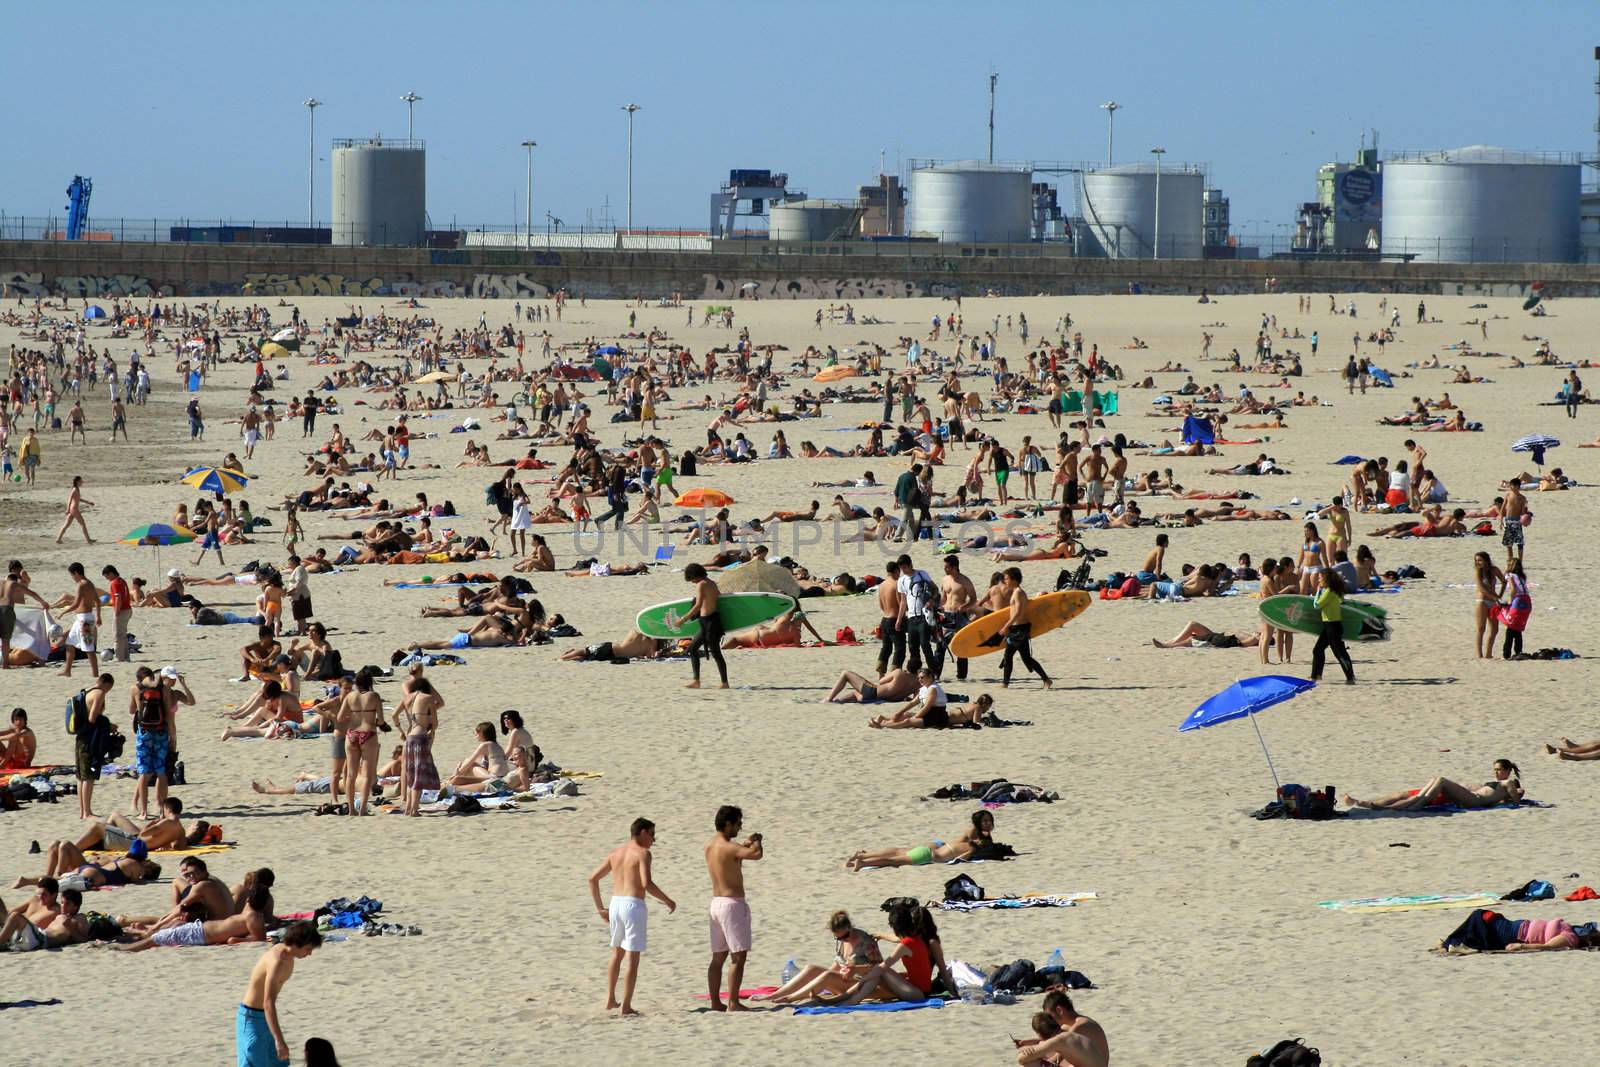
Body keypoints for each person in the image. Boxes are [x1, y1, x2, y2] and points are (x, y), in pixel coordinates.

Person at [588, 817, 677, 1016]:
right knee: (632, 958)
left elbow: (592, 879)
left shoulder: (615, 853)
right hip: (632, 905)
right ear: (643, 832)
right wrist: (667, 900)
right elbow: (647, 883)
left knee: (616, 954)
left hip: (615, 904)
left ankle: (610, 999)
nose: (654, 840)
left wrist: (600, 908)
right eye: (652, 834)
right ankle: (626, 1006)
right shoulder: (643, 853)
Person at [236, 921, 323, 1067]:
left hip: (266, 1017)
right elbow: (268, 1002)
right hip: (251, 1018)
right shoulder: (277, 961)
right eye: (308, 948)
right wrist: (279, 1040)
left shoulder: (288, 954)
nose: (310, 953)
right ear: (296, 944)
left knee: (278, 1062)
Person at [812, 905, 933, 1006]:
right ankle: (843, 998)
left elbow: (882, 967)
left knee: (879, 969)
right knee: (877, 971)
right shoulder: (915, 937)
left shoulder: (904, 945)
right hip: (918, 988)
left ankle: (851, 999)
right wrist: (880, 935)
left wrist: (863, 979)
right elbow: (896, 938)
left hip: (916, 993)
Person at [704, 805, 763, 1011]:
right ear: (728, 824)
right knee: (738, 956)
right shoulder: (730, 847)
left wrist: (744, 845)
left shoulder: (711, 845)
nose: (740, 826)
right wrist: (757, 841)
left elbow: (733, 860)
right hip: (732, 905)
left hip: (716, 903)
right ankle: (733, 1001)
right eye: (738, 823)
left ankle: (715, 1001)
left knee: (718, 957)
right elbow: (756, 855)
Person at [756, 909, 884, 1004]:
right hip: (844, 981)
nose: (844, 940)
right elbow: (835, 966)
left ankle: (791, 998)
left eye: (846, 936)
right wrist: (819, 977)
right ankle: (775, 995)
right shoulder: (843, 942)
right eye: (839, 938)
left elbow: (880, 969)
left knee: (826, 976)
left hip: (860, 984)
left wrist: (855, 969)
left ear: (851, 928)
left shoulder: (866, 942)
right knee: (811, 968)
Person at [1345, 759, 1523, 812]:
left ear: (1508, 771)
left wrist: (1515, 794)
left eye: (1499, 770)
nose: (1496, 773)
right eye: (1495, 770)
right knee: (1436, 781)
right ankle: (1415, 802)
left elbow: (1516, 799)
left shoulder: (1508, 783)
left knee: (1441, 780)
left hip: (1474, 800)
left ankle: (1416, 803)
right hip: (1471, 798)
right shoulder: (1499, 784)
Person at [845, 810, 995, 870]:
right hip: (928, 855)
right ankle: (862, 862)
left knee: (895, 851)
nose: (988, 824)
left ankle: (862, 855)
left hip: (931, 847)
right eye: (985, 821)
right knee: (893, 861)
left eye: (989, 821)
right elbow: (960, 860)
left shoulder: (967, 835)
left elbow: (961, 839)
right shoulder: (974, 845)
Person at [336, 670, 388, 816]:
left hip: (352, 734)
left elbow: (340, 718)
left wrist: (353, 716)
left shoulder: (350, 696)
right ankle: (363, 808)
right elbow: (381, 720)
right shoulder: (374, 696)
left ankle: (351, 809)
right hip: (368, 734)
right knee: (366, 775)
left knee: (350, 775)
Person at [1015, 989, 1111, 1066]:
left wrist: (1034, 1051)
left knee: (1031, 1062)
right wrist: (1029, 1043)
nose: (1049, 1021)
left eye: (1049, 1016)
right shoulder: (1070, 1027)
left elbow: (1056, 1054)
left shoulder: (1081, 1025)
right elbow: (1053, 1040)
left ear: (1059, 1010)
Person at [1438, 909, 1600, 953]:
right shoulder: (1568, 928)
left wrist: (1521, 947)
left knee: (1479, 917)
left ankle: (1449, 943)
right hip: (1512, 926)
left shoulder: (1570, 938)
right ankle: (1450, 942)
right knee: (1482, 918)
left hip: (1512, 935)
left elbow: (1548, 947)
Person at [997, 567, 1052, 689]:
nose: (1005, 581)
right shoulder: (1017, 592)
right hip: (1015, 629)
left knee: (1026, 658)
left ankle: (1046, 680)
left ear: (1014, 579)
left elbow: (1017, 613)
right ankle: (1005, 683)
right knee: (1008, 656)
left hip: (1020, 630)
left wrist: (1005, 626)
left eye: (1006, 578)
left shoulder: (1019, 593)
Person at [73, 673, 115, 819]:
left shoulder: (87, 691)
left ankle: (82, 812)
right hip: (90, 739)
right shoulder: (99, 694)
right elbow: (93, 717)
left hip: (81, 737)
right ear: (107, 684)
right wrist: (108, 725)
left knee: (80, 776)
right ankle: (87, 812)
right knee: (88, 777)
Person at [682, 563, 727, 689]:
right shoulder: (712, 583)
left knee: (716, 653)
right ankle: (696, 681)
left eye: (691, 579)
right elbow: (718, 598)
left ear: (695, 576)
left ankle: (724, 683)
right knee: (692, 649)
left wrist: (683, 620)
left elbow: (698, 606)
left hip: (709, 622)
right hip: (710, 621)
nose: (692, 582)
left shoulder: (701, 584)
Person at [1, 560, 52, 669]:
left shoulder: (2, 582)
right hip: (8, 610)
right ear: (14, 572)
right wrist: (43, 603)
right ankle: (5, 664)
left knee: (4, 637)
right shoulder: (14, 583)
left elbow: (27, 581)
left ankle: (4, 661)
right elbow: (32, 593)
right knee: (6, 638)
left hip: (5, 608)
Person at [1309, 569, 1355, 684]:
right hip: (1329, 625)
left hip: (1332, 626)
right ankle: (1316, 675)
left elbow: (1317, 605)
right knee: (1318, 650)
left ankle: (1350, 676)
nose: (1318, 580)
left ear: (1326, 579)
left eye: (1320, 578)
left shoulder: (1329, 591)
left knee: (1339, 653)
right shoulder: (1333, 591)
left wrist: (1318, 592)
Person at [57, 561, 101, 678]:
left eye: (72, 575)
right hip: (81, 619)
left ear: (76, 573)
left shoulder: (81, 585)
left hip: (85, 620)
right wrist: (99, 616)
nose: (72, 578)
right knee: (69, 644)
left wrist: (63, 612)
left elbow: (76, 604)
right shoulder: (90, 584)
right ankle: (67, 670)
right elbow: (97, 601)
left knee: (89, 649)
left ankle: (95, 674)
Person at [868, 668, 950, 728]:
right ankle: (884, 719)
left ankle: (882, 725)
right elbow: (912, 703)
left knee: (908, 721)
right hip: (927, 715)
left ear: (930, 677)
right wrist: (898, 713)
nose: (920, 680)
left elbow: (926, 707)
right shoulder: (923, 688)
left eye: (922, 677)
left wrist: (915, 717)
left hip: (937, 718)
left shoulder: (933, 689)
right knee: (905, 715)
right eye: (919, 678)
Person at [1472, 551, 1505, 659]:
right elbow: (1482, 588)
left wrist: (1499, 594)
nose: (1478, 563)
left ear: (1486, 560)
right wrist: (1495, 597)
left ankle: (1488, 653)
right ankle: (1479, 654)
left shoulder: (1494, 570)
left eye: (1480, 560)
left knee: (1495, 629)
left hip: (1493, 601)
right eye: (1476, 560)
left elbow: (1504, 582)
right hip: (1482, 601)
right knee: (1481, 628)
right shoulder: (1478, 572)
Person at [1498, 559, 1531, 659]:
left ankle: (1506, 653)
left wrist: (1509, 602)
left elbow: (1513, 589)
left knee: (1510, 627)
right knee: (1518, 628)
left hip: (1518, 601)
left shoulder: (1510, 575)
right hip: (1527, 601)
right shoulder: (1522, 576)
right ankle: (1518, 651)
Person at [54, 475, 95, 544]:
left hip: (73, 509)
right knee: (83, 524)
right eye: (81, 481)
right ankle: (88, 540)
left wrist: (88, 502)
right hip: (74, 509)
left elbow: (78, 499)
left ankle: (58, 539)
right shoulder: (74, 490)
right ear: (77, 482)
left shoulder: (77, 489)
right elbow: (69, 500)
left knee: (66, 525)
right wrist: (67, 509)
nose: (82, 482)